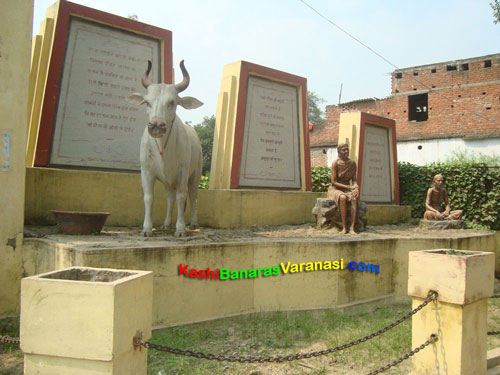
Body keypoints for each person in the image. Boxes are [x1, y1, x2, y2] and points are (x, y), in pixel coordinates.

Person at [327, 143, 359, 234]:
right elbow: (333, 181)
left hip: (347, 188)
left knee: (353, 198)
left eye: (347, 149)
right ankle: (344, 228)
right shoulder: (335, 163)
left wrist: (355, 187)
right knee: (343, 198)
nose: (346, 151)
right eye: (344, 150)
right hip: (335, 189)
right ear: (339, 152)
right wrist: (349, 187)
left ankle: (352, 228)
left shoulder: (352, 164)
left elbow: (354, 180)